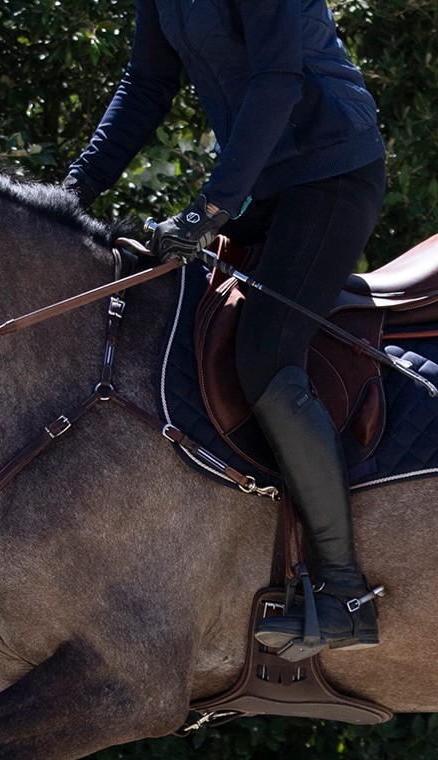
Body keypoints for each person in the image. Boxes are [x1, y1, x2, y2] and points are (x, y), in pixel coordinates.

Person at [64, 0, 386, 658]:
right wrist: (70, 192)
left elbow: (277, 78)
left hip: (329, 173)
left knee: (264, 355)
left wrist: (212, 206)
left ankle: (345, 596)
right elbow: (145, 85)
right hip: (263, 187)